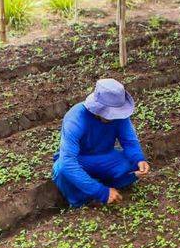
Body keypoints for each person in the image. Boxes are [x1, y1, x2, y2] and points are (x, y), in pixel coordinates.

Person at [52, 79, 151, 207]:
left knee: (133, 164)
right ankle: (83, 201)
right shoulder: (75, 119)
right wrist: (101, 192)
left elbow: (129, 142)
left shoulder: (120, 117)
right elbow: (68, 162)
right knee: (61, 170)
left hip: (105, 157)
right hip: (80, 160)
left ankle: (106, 185)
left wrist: (139, 160)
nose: (115, 117)